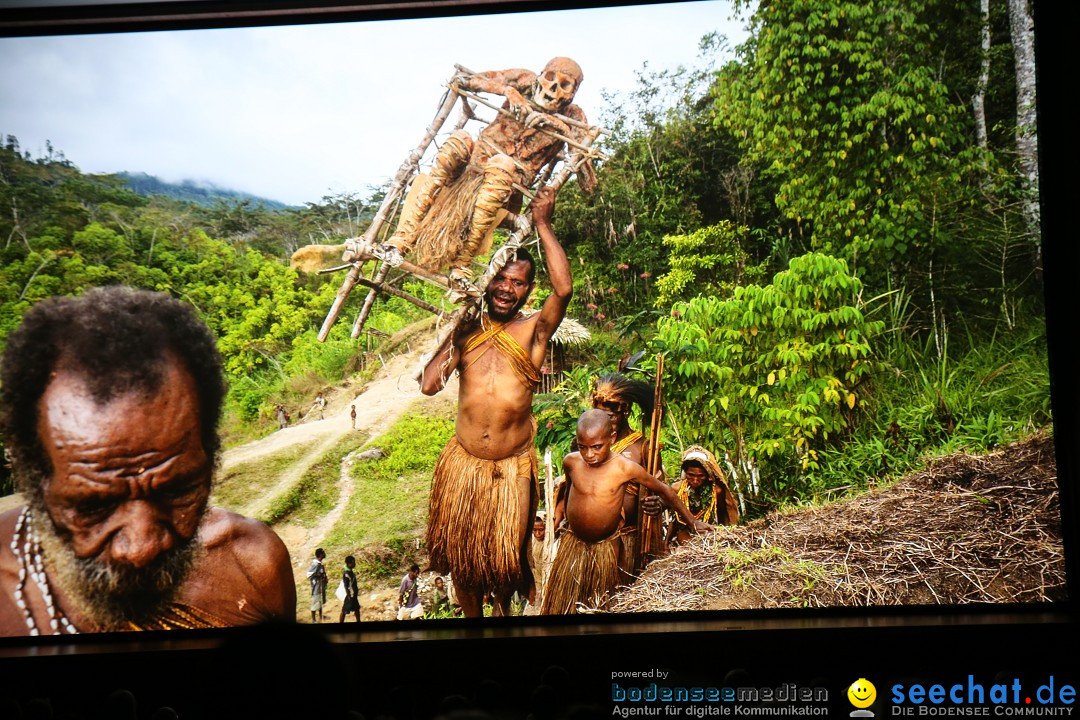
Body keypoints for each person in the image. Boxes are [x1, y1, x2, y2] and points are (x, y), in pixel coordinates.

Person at [0, 287, 295, 635]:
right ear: (35, 480)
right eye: (94, 504)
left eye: (176, 491)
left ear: (209, 459)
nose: (141, 548)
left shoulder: (252, 564)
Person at [419, 185, 571, 618]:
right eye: (501, 279)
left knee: (505, 563)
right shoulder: (466, 331)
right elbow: (430, 385)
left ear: (527, 289)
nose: (507, 289)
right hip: (463, 463)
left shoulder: (533, 333)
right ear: (489, 280)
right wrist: (455, 328)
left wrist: (541, 222)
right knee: (464, 567)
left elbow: (563, 290)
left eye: (518, 283)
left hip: (510, 467)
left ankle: (504, 620)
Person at [383, 58, 596, 294]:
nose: (552, 91)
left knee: (502, 165)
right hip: (471, 168)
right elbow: (466, 81)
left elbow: (587, 182)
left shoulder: (573, 116)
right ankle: (402, 239)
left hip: (506, 183)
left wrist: (559, 127)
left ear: (573, 93)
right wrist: (508, 91)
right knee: (459, 139)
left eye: (564, 86)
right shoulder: (524, 80)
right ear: (540, 75)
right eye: (550, 80)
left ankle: (462, 264)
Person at [541, 410, 712, 615]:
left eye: (596, 447)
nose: (589, 454)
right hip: (574, 546)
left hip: (605, 548)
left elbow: (665, 489)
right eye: (582, 447)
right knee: (565, 609)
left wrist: (692, 522)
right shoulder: (571, 462)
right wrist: (566, 517)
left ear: (611, 438)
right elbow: (569, 488)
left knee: (603, 603)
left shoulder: (625, 468)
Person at [667, 446, 740, 546]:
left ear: (708, 475)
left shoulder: (716, 491)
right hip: (683, 532)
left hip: (708, 532)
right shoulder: (677, 489)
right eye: (691, 475)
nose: (695, 480)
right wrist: (666, 542)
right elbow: (674, 518)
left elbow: (723, 516)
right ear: (685, 473)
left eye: (700, 476)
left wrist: (727, 536)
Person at [307, 548, 328, 623]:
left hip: (321, 585)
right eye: (323, 553)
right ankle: (313, 619)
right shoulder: (315, 564)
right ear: (321, 554)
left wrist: (325, 577)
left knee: (320, 600)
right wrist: (317, 575)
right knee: (315, 602)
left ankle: (321, 615)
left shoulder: (320, 563)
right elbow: (309, 574)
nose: (324, 554)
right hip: (316, 586)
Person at [338, 555, 361, 623]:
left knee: (357, 609)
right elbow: (346, 586)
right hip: (350, 595)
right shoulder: (346, 573)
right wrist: (349, 596)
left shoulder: (349, 571)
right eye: (353, 562)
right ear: (349, 564)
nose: (354, 564)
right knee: (344, 610)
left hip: (353, 594)